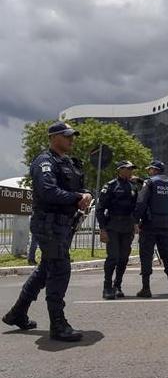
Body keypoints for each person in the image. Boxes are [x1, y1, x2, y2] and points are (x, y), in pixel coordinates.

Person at [2, 121, 92, 341]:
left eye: (72, 135)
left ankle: (17, 313)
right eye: (67, 135)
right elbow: (49, 191)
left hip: (62, 223)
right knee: (60, 269)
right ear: (53, 138)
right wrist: (77, 198)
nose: (71, 139)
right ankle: (58, 324)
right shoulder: (45, 161)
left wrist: (85, 193)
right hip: (48, 223)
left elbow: (74, 188)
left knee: (45, 269)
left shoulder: (67, 162)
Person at [134, 160, 168, 298]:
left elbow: (141, 202)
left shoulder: (150, 182)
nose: (148, 172)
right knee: (167, 254)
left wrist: (135, 220)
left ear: (154, 170)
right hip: (165, 223)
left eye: (150, 169)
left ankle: (146, 288)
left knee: (146, 255)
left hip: (149, 224)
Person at [96, 160, 139, 300]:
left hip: (127, 225)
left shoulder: (133, 186)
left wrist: (135, 223)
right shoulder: (110, 186)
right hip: (113, 225)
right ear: (120, 170)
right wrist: (102, 229)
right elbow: (100, 208)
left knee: (124, 258)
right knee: (113, 257)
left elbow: (135, 208)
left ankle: (117, 285)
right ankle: (107, 287)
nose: (131, 171)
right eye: (128, 169)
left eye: (132, 169)